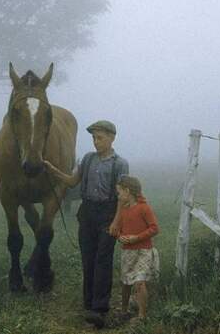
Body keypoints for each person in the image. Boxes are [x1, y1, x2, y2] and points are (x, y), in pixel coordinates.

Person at [44, 120, 128, 329]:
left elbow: (122, 198)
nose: (96, 142)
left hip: (108, 214)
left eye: (100, 138)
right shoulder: (89, 159)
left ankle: (100, 308)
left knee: (102, 260)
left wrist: (117, 221)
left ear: (112, 138)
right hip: (88, 213)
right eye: (93, 138)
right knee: (88, 259)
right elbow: (73, 181)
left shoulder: (120, 164)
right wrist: (53, 170)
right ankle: (88, 304)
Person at [113, 175, 159, 323]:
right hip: (127, 251)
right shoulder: (124, 211)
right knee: (126, 282)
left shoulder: (144, 208)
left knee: (140, 281)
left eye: (119, 192)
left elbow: (154, 228)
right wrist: (120, 237)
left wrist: (136, 238)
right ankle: (124, 311)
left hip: (144, 251)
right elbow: (117, 230)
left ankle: (141, 316)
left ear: (127, 191)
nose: (118, 196)